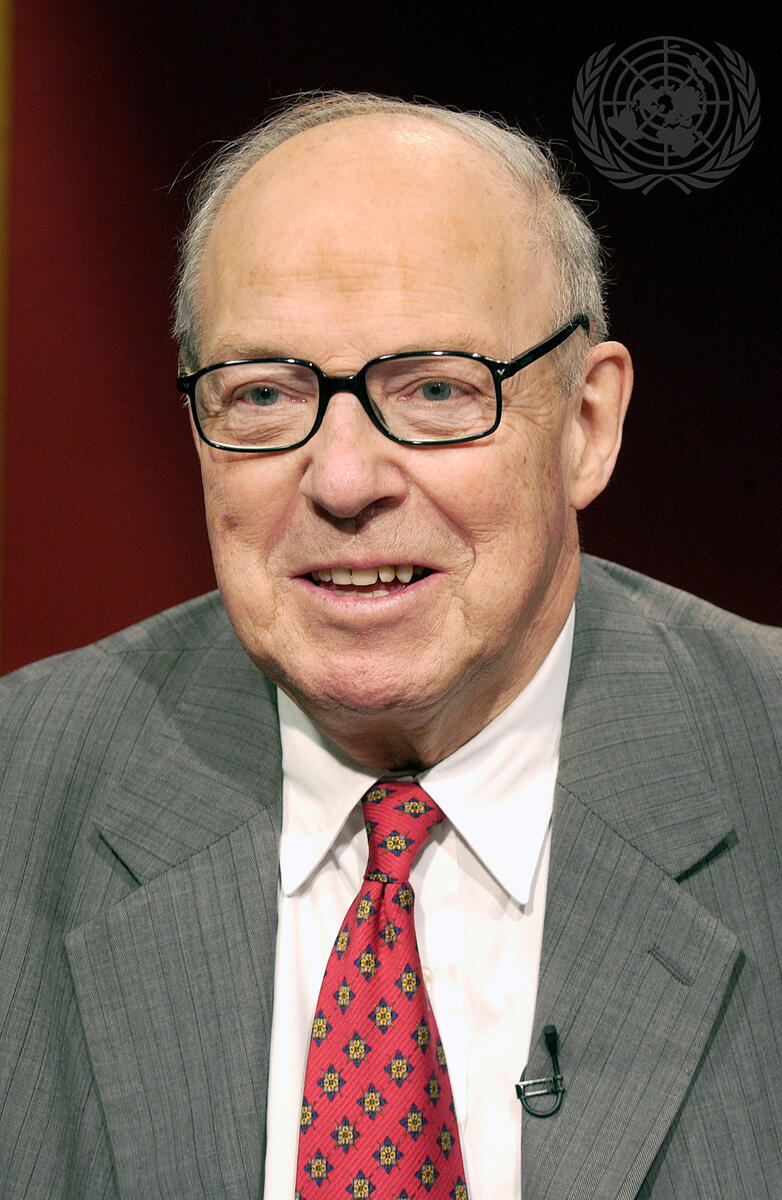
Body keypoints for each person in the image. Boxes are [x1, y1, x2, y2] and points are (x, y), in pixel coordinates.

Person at [0, 91, 780, 1200]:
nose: (343, 480)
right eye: (264, 395)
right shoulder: (20, 786)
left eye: (435, 389)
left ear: (585, 425)